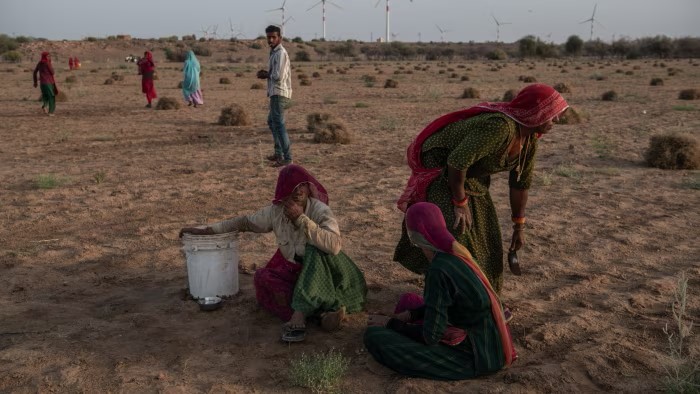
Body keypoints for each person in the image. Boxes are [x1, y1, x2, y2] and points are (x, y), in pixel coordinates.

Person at [394, 84, 568, 293]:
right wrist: (460, 203)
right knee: (457, 230)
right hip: (441, 168)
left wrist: (518, 227)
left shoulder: (529, 139)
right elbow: (457, 163)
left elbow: (520, 184)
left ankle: (483, 295)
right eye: (552, 114)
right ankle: (455, 294)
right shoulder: (500, 128)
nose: (556, 120)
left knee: (487, 237)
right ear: (536, 113)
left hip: (468, 174)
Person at [180, 164, 367, 342]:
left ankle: (299, 315)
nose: (298, 192)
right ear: (282, 196)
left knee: (313, 250)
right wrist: (206, 230)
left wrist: (302, 220)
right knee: (263, 278)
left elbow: (334, 246)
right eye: (292, 191)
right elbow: (245, 222)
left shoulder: (320, 210)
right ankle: (319, 315)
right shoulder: (276, 212)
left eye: (301, 187)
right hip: (299, 273)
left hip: (329, 271)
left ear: (308, 188)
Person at [365, 202, 516, 380]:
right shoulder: (458, 252)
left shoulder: (438, 270)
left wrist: (390, 324)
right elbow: (450, 300)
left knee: (375, 336)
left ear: (414, 235)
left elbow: (431, 336)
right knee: (408, 301)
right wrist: (410, 315)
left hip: (477, 355)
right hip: (491, 339)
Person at [256, 25, 293, 168]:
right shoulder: (273, 52)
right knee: (272, 122)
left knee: (279, 124)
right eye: (268, 37)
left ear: (280, 38)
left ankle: (287, 157)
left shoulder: (280, 53)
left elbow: (278, 76)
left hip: (279, 92)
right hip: (274, 92)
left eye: (273, 37)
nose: (270, 40)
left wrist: (265, 74)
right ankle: (278, 153)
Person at [33, 52, 58, 116]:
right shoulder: (47, 63)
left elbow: (35, 72)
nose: (49, 57)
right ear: (45, 57)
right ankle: (51, 112)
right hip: (48, 83)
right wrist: (50, 63)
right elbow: (52, 72)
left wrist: (35, 82)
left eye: (49, 56)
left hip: (42, 83)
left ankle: (44, 106)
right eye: (48, 56)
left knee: (45, 96)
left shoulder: (39, 63)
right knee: (51, 96)